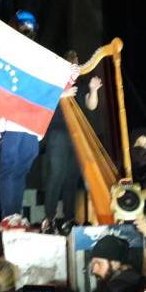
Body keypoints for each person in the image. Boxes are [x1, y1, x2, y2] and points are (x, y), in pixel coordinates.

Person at [0, 0, 79, 230]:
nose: (27, 28)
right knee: (10, 164)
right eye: (23, 23)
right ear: (14, 25)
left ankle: (15, 213)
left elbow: (47, 83)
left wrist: (69, 78)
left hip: (31, 121)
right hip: (10, 115)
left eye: (31, 25)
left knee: (23, 165)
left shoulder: (38, 54)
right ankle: (7, 214)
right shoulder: (5, 46)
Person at [43, 50, 102, 227]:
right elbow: (43, 100)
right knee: (57, 175)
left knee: (72, 177)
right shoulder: (53, 82)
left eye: (77, 63)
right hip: (57, 133)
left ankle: (68, 217)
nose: (76, 66)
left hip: (78, 135)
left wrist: (93, 90)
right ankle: (50, 217)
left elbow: (91, 105)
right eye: (72, 63)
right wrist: (63, 94)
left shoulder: (82, 84)